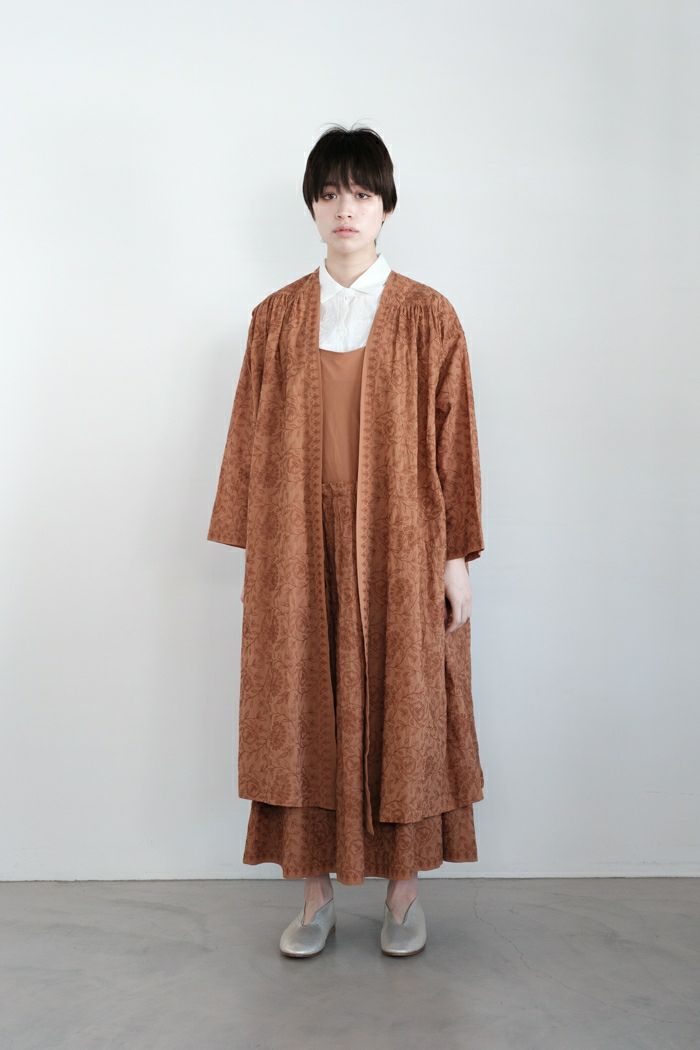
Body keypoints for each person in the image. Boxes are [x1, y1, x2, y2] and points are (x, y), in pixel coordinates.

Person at [207, 124, 486, 958]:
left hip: (401, 541)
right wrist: (258, 548)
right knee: (299, 706)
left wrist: (455, 558)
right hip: (298, 542)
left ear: (386, 206)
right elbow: (248, 438)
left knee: (405, 703)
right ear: (312, 206)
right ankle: (314, 894)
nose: (345, 209)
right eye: (329, 193)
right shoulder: (276, 318)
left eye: (361, 193)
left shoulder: (429, 315)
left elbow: (455, 446)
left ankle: (403, 893)